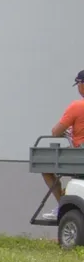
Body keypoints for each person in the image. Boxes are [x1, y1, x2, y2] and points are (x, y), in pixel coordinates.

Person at [41, 71, 84, 216]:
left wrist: (66, 132)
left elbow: (56, 131)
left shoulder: (77, 106)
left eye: (78, 84)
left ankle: (62, 205)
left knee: (45, 166)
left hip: (80, 154)